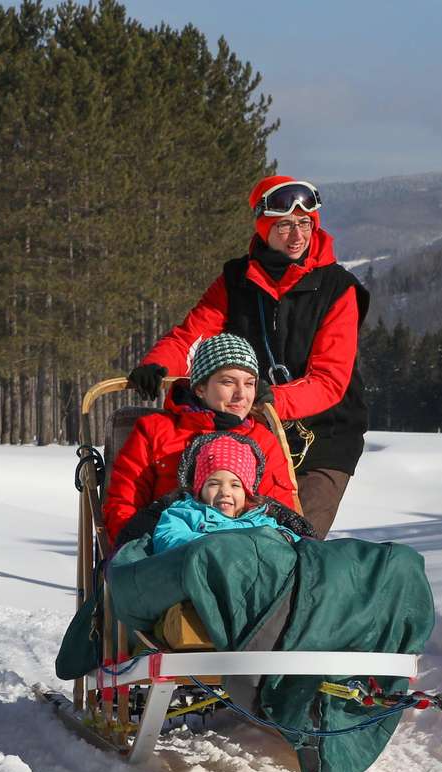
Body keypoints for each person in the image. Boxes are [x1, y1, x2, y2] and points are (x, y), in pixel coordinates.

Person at [127, 174, 370, 534]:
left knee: (296, 537)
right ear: (264, 226)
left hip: (325, 436)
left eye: (305, 223)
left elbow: (329, 381)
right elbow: (191, 337)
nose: (298, 235)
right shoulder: (236, 280)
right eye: (285, 225)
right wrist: (157, 363)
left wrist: (270, 399)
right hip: (250, 430)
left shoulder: (338, 289)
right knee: (228, 530)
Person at [102, 333, 300, 547]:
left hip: (246, 556)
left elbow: (280, 512)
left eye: (249, 383)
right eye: (228, 382)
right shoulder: (155, 431)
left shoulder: (262, 440)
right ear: (200, 388)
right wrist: (138, 552)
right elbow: (123, 506)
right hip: (167, 552)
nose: (241, 394)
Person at [148, 432, 302, 555]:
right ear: (199, 489)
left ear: (246, 493)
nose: (225, 492)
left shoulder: (258, 519)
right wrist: (213, 544)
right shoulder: (185, 513)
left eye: (235, 485)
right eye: (214, 484)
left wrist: (286, 539)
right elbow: (167, 538)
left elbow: (295, 542)